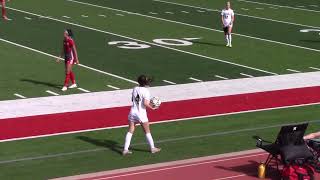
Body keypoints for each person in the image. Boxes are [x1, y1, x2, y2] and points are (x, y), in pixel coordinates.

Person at [122, 75, 161, 155]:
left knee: (130, 131)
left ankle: (125, 149)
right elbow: (145, 103)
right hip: (141, 114)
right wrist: (152, 107)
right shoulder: (146, 91)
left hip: (132, 112)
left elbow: (134, 99)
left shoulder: (135, 88)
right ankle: (153, 148)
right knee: (147, 131)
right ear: (145, 83)